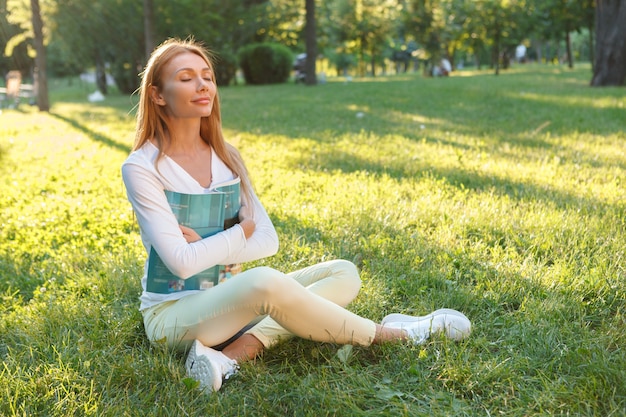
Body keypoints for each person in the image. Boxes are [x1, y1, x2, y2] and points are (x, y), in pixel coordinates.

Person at [121, 38, 471, 393]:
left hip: (233, 303)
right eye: (186, 77)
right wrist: (240, 232)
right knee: (265, 282)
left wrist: (210, 246)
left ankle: (233, 354)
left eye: (207, 76)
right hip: (174, 317)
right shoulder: (142, 167)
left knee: (343, 273)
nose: (202, 85)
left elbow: (267, 241)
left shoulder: (227, 156)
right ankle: (391, 335)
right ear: (157, 95)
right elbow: (181, 263)